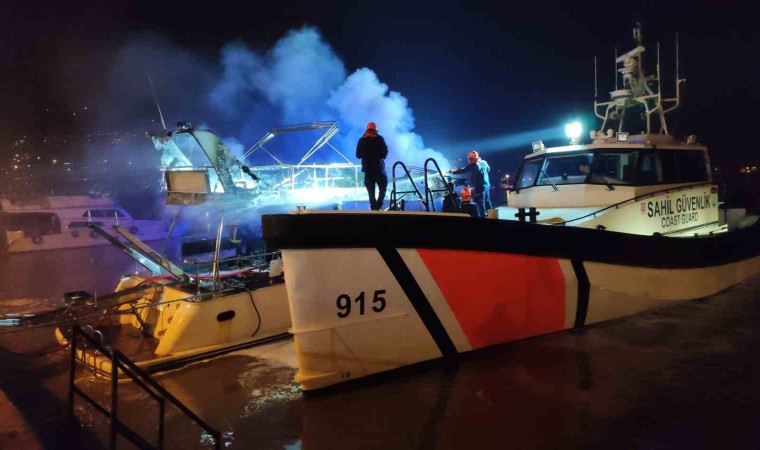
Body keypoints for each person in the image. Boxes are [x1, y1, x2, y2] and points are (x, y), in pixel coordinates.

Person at [356, 122, 389, 210]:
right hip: (379, 169)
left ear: (367, 129)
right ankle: (379, 204)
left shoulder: (361, 140)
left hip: (367, 170)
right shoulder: (379, 139)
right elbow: (384, 155)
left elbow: (358, 155)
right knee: (383, 187)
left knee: (371, 191)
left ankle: (373, 207)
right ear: (376, 129)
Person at [449, 150, 491, 217]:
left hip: (480, 188)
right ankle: (492, 215)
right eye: (469, 158)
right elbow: (488, 169)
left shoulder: (473, 166)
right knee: (487, 201)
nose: (469, 160)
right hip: (487, 185)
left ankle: (483, 218)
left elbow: (462, 170)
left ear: (474, 159)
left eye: (470, 158)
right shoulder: (484, 162)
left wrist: (452, 172)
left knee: (480, 204)